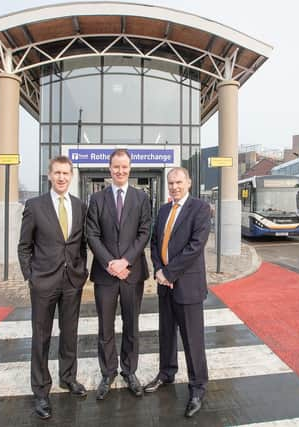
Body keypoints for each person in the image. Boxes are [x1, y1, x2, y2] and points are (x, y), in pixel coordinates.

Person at [18, 156, 89, 420]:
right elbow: (24, 246)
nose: (61, 178)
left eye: (65, 173)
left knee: (70, 333)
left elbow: (80, 244)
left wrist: (81, 271)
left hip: (72, 281)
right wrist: (31, 276)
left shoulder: (80, 206)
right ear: (49, 175)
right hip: (43, 282)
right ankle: (40, 391)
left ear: (71, 176)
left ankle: (68, 378)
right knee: (41, 337)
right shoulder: (35, 206)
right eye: (57, 173)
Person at [145, 167, 211, 418]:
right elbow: (154, 243)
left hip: (187, 286)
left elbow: (195, 247)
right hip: (165, 285)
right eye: (171, 182)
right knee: (166, 335)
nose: (174, 187)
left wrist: (170, 273)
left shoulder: (200, 209)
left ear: (189, 183)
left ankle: (197, 388)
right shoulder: (163, 210)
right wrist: (160, 271)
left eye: (178, 182)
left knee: (193, 340)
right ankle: (166, 373)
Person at [86, 148, 151, 400]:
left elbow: (144, 232)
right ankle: (108, 372)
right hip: (105, 275)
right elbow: (92, 234)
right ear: (109, 168)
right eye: (116, 167)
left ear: (130, 169)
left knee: (131, 325)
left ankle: (129, 371)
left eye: (124, 167)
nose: (120, 171)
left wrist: (125, 262)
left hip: (132, 273)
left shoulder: (141, 198)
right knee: (105, 327)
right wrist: (110, 263)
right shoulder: (97, 199)